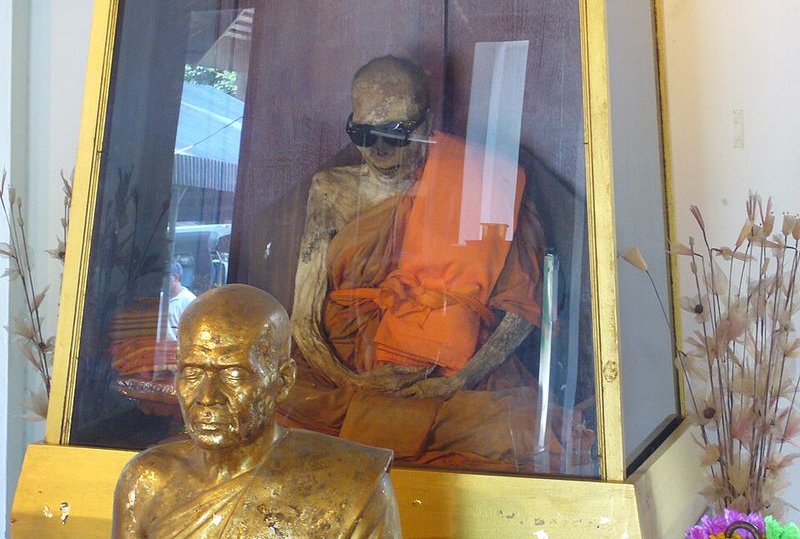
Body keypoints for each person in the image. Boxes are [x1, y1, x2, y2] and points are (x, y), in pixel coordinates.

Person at [283, 55, 552, 471]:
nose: (380, 150)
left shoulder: (474, 181)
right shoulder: (332, 190)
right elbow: (303, 313)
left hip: (456, 369)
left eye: (395, 133)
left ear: (426, 126)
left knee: (509, 436)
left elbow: (521, 307)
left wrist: (459, 380)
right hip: (343, 367)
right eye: (363, 133)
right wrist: (352, 381)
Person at [112, 284, 401, 538]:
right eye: (192, 372)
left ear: (283, 379)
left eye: (234, 374)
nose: (207, 396)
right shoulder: (147, 482)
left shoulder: (352, 487)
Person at [167, 260, 196, 341]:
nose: (162, 281)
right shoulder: (161, 297)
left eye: (166, 277)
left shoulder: (190, 301)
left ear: (176, 277)